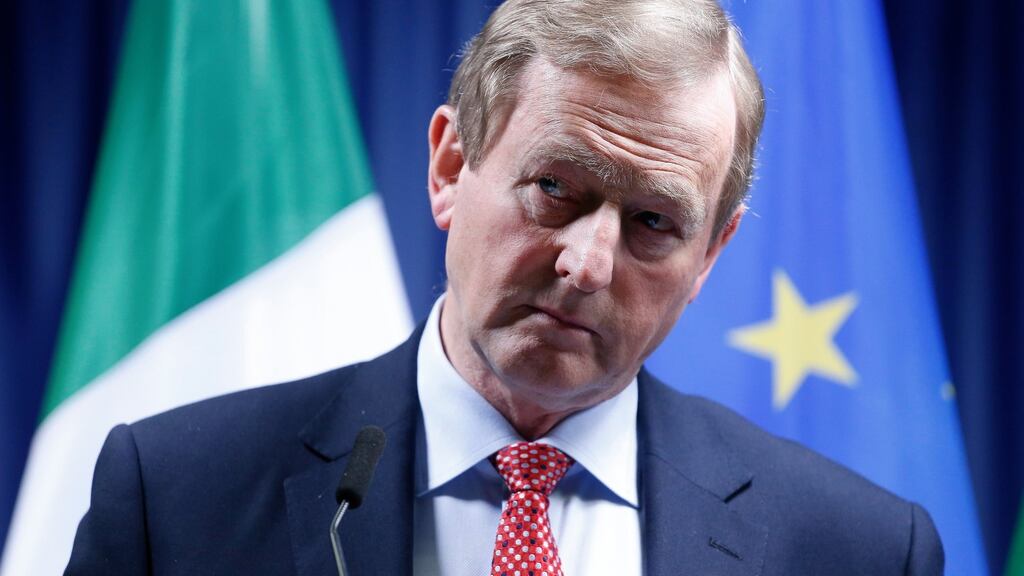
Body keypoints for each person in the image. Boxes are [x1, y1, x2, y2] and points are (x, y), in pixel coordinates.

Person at [65, 0, 944, 575]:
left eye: (654, 224)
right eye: (556, 189)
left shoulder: (858, 551)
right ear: (451, 165)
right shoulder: (176, 500)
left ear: (711, 255)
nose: (588, 264)